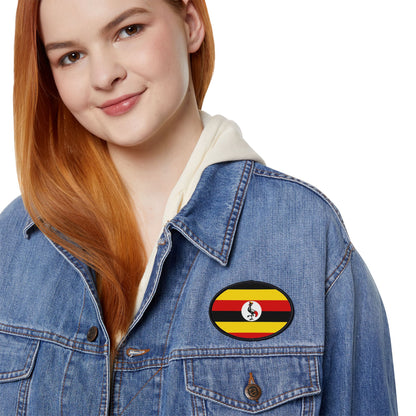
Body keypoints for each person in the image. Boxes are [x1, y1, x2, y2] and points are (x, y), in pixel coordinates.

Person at [0, 0, 397, 414]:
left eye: (128, 30)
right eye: (71, 56)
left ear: (190, 24)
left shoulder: (307, 240)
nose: (104, 76)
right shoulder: (11, 245)